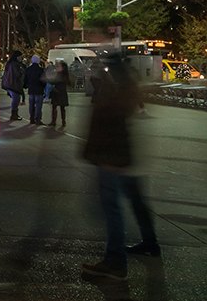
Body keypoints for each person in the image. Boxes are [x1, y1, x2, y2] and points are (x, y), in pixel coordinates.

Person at [82, 51, 159, 280]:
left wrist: (100, 155)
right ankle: (149, 242)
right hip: (123, 156)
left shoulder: (114, 88)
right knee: (135, 201)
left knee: (112, 207)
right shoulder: (124, 85)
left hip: (113, 156)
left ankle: (115, 260)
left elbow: (108, 123)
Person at [1, 51, 26, 121]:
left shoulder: (10, 64)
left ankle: (15, 114)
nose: (21, 58)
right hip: (13, 85)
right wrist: (22, 70)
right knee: (16, 99)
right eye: (20, 57)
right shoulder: (15, 64)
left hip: (10, 84)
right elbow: (18, 74)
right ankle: (14, 114)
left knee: (16, 99)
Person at [24, 55, 45, 125]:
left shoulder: (28, 70)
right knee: (38, 105)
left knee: (31, 105)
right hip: (39, 90)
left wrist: (27, 85)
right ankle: (38, 119)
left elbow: (25, 80)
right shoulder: (41, 70)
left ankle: (32, 118)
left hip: (31, 89)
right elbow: (43, 80)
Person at [49, 60, 70, 127]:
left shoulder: (59, 74)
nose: (58, 67)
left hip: (57, 92)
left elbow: (54, 81)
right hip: (62, 92)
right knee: (62, 108)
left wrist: (48, 80)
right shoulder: (65, 75)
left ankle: (53, 121)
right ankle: (63, 122)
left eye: (59, 66)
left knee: (55, 107)